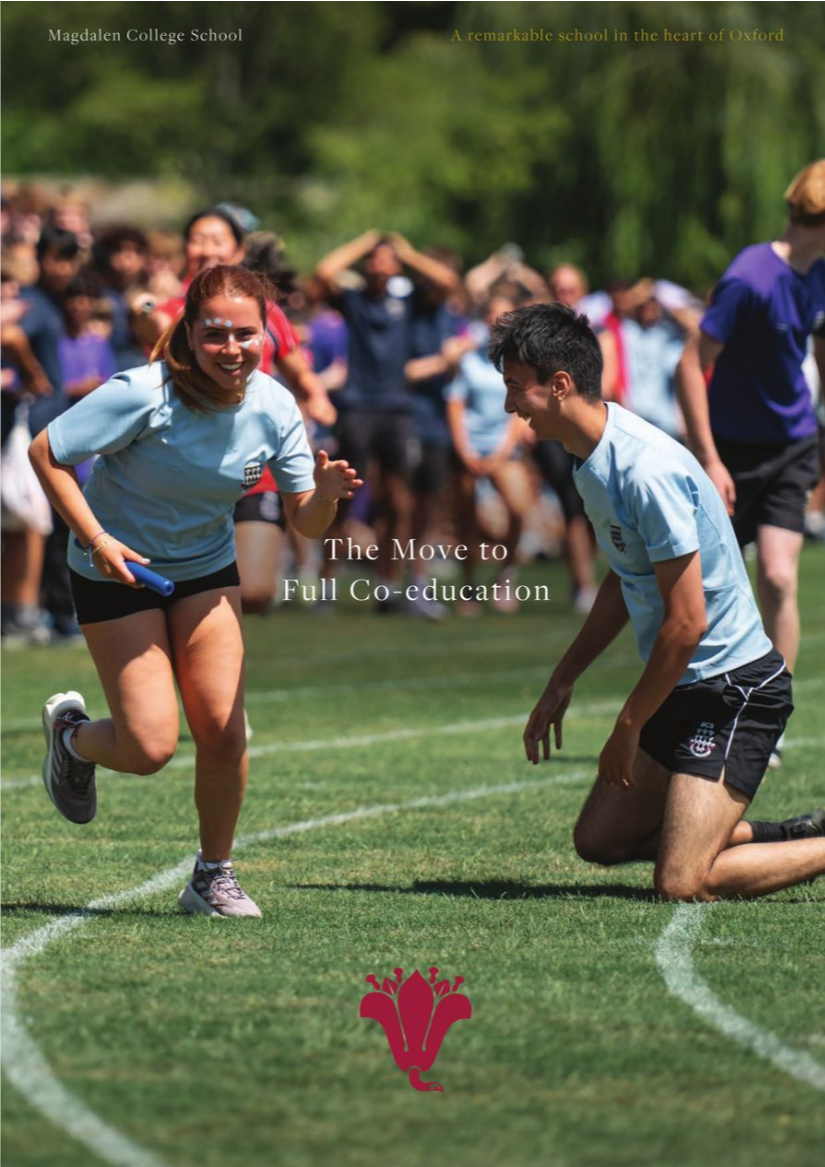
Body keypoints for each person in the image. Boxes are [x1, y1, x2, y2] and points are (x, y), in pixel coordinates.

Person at [29, 264, 362, 918]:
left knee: (223, 729)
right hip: (116, 569)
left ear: (267, 333)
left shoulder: (274, 405)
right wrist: (98, 539)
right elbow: (47, 451)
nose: (231, 349)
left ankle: (212, 875)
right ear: (189, 332)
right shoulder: (143, 393)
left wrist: (323, 497)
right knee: (149, 747)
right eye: (215, 334)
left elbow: (305, 521)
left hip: (206, 569)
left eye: (245, 334)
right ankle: (71, 737)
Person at [490, 302, 824, 901]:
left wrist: (628, 725)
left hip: (734, 689)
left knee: (681, 882)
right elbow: (624, 577)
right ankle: (779, 837)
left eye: (517, 387)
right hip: (683, 684)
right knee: (599, 841)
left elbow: (688, 623)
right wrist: (563, 679)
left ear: (559, 385)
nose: (510, 405)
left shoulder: (645, 470)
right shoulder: (590, 457)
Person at [677, 161, 825, 766]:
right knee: (709, 586)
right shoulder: (749, 279)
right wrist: (709, 459)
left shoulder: (820, 274)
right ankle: (698, 707)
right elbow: (690, 366)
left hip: (793, 445)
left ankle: (768, 719)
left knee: (780, 577)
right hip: (731, 450)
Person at [314, 230, 459, 607]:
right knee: (344, 498)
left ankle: (387, 584)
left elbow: (447, 281)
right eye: (374, 259)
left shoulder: (409, 302)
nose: (380, 263)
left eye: (387, 259)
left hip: (397, 410)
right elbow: (324, 271)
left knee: (398, 500)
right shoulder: (353, 300)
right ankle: (326, 584)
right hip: (357, 408)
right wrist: (365, 243)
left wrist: (406, 253)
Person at [446, 294, 532, 614]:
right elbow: (455, 404)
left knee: (519, 509)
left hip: (503, 448)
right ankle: (468, 587)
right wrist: (465, 450)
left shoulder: (521, 360)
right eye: (493, 316)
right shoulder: (468, 358)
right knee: (466, 519)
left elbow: (520, 406)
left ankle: (506, 575)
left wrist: (502, 450)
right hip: (469, 447)